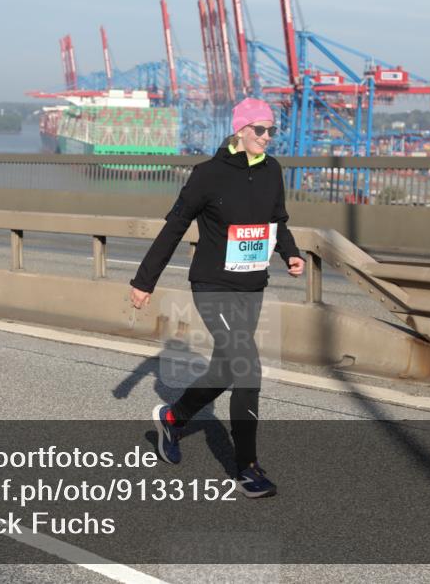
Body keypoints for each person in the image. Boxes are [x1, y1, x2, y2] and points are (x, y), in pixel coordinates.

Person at [129, 97, 305, 499]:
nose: (267, 136)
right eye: (260, 129)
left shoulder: (272, 171)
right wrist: (144, 280)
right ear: (240, 130)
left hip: (251, 285)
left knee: (228, 369)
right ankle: (246, 467)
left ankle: (172, 418)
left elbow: (277, 221)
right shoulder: (207, 175)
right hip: (213, 286)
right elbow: (174, 227)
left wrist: (290, 253)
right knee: (248, 368)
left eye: (271, 130)